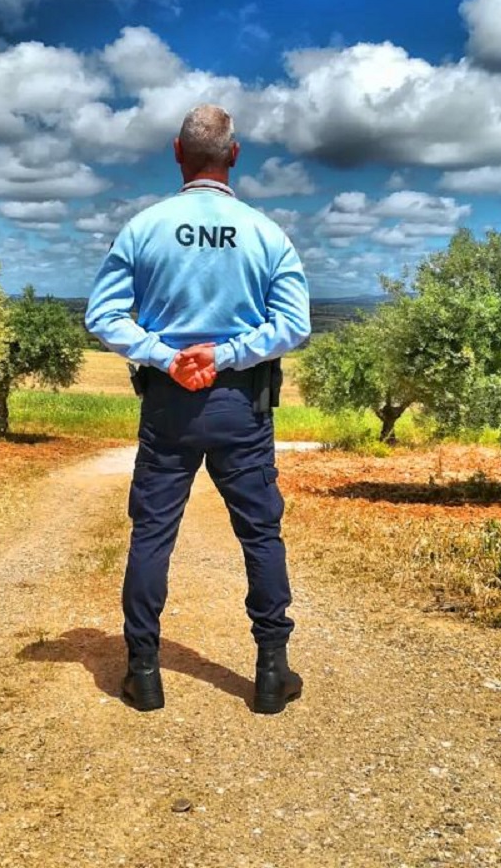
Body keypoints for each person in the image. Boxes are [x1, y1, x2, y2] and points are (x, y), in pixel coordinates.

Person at [85, 104, 313, 714]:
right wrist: (230, 352)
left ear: (177, 153)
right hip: (243, 403)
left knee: (152, 534)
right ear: (234, 156)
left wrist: (166, 355)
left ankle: (144, 672)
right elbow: (295, 324)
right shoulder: (268, 233)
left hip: (169, 407)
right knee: (260, 533)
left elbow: (102, 316)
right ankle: (271, 672)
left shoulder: (144, 228)